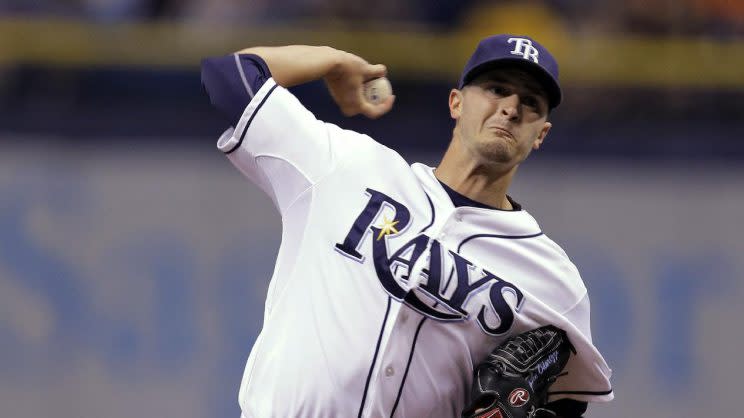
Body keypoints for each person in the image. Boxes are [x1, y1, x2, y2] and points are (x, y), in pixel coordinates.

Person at [200, 34, 613, 417]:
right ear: (456, 103)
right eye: (497, 88)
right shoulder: (349, 166)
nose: (511, 107)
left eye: (531, 102)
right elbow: (230, 76)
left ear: (541, 133)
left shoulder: (554, 281)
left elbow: (567, 402)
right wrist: (334, 60)